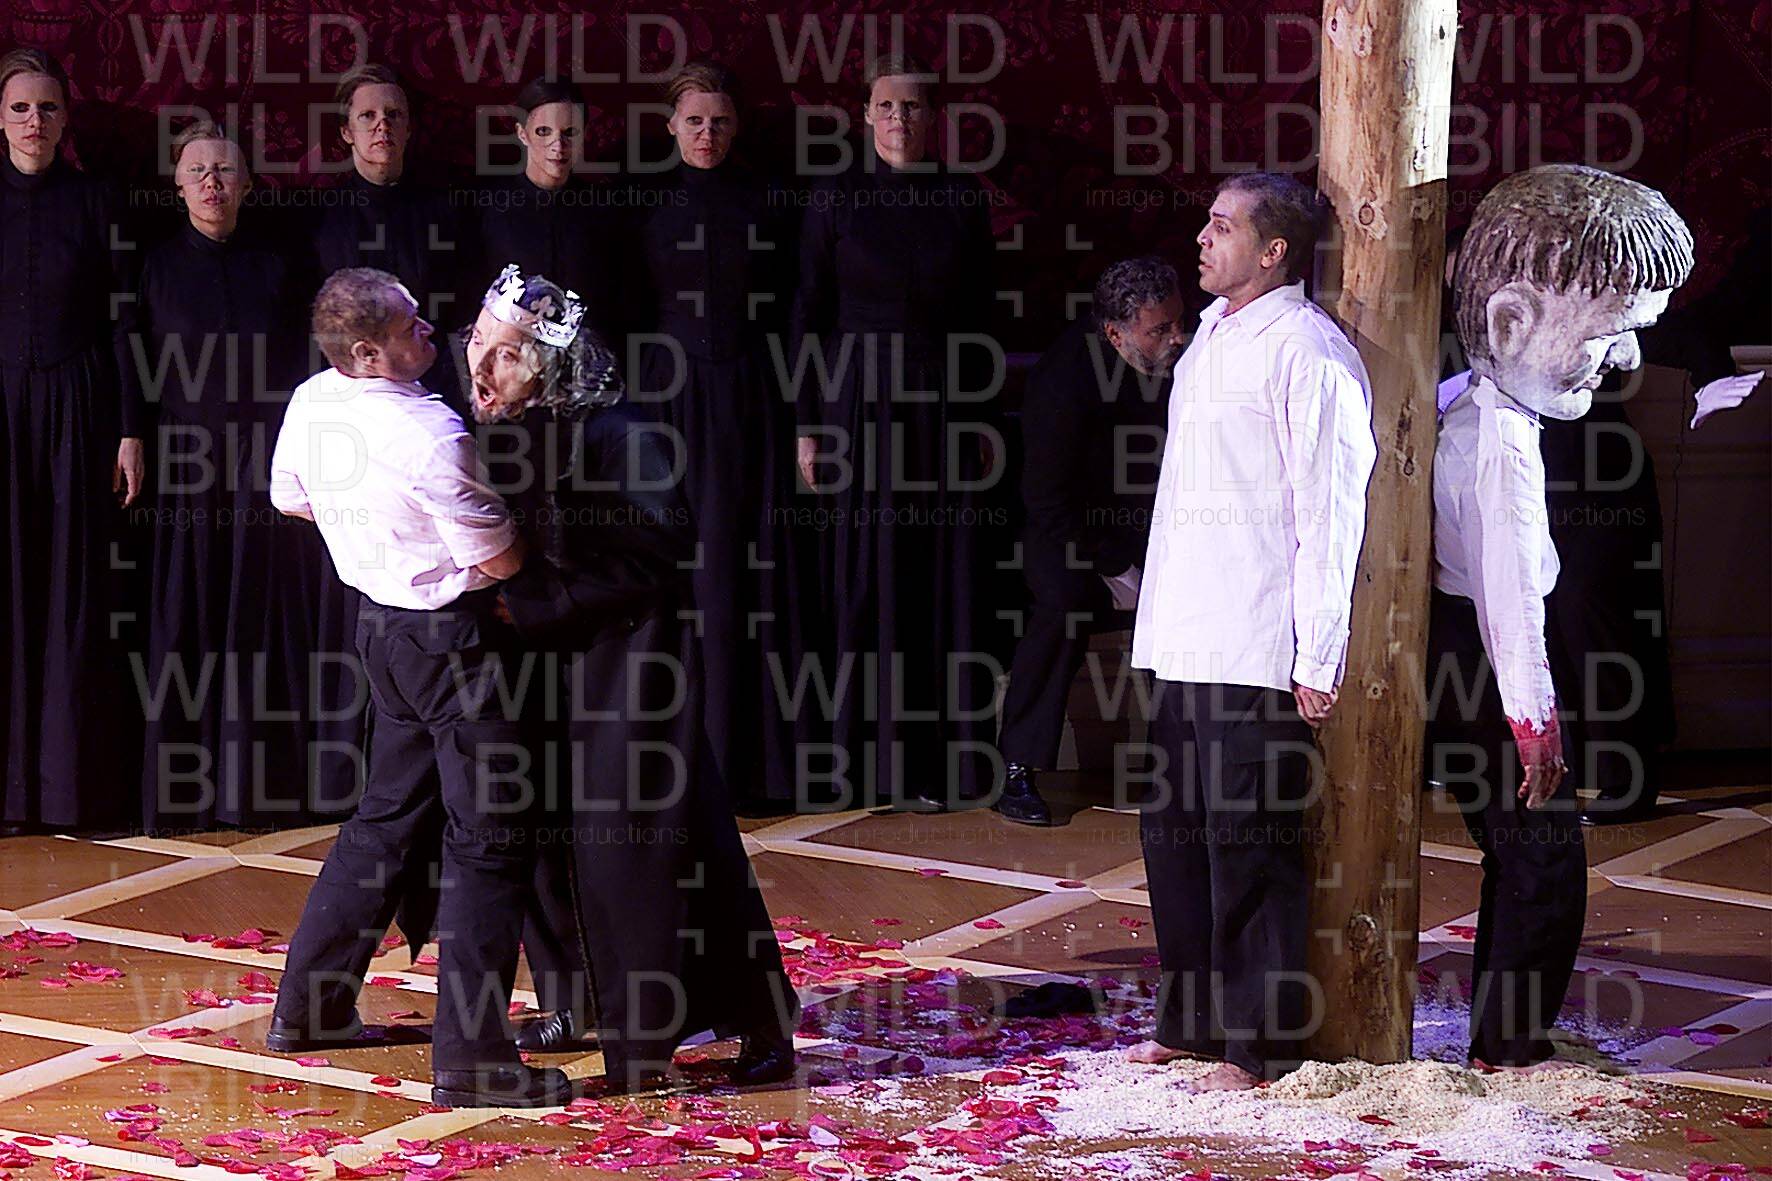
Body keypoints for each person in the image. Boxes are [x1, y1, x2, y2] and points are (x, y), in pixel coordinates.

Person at [461, 264, 798, 1091]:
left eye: (506, 353)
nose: (482, 366)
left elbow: (659, 557)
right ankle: (572, 998)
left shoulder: (622, 432)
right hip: (547, 666)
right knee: (545, 842)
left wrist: (536, 602)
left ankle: (745, 1022)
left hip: (630, 672)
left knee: (653, 853)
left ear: (550, 360)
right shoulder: (512, 423)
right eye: (478, 342)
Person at [265, 267, 568, 1109]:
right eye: (409, 327)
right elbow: (499, 561)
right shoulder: (431, 433)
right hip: (453, 645)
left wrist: (373, 529)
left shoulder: (315, 399)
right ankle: (471, 1060)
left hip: (383, 635)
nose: (431, 330)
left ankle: (309, 1007)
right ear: (367, 353)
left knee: (385, 820)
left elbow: (290, 498)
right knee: (489, 840)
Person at [1428, 163, 1693, 1070]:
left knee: (1518, 854)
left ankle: (1502, 1035)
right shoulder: (1501, 444)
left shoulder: (1457, 401)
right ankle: (1509, 1044)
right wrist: (1535, 725)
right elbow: (1510, 601)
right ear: (1510, 322)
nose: (1628, 362)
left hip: (1458, 656)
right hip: (1484, 667)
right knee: (1543, 863)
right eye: (1614, 333)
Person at [1124, 172, 1377, 1091]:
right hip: (1184, 636)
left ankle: (1260, 1044)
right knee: (1176, 840)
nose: (1202, 237)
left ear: (1273, 251)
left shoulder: (1308, 352)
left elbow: (1330, 511)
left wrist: (1319, 653)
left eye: (1222, 226)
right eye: (1207, 221)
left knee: (1252, 853)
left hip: (1255, 642)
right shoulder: (1210, 338)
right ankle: (1191, 1020)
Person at [128, 122, 357, 833]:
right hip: (185, 467)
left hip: (265, 461)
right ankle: (182, 795)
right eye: (198, 171)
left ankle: (257, 789)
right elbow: (134, 361)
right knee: (188, 616)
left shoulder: (279, 267)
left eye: (225, 171)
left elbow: (306, 368)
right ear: (177, 184)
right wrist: (134, 436)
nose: (212, 183)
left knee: (260, 618)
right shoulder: (154, 267)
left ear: (248, 184)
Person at [789, 53, 1001, 811]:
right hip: (857, 406)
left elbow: (981, 312)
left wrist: (982, 414)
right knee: (868, 577)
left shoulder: (962, 196)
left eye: (912, 106)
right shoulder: (835, 195)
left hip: (943, 405)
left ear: (932, 118)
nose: (899, 119)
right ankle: (865, 766)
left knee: (941, 580)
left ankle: (941, 767)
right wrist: (808, 426)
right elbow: (808, 311)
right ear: (865, 116)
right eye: (886, 106)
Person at [629, 61, 810, 815]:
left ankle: (744, 766)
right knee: (675, 572)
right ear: (671, 125)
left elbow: (794, 307)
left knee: (740, 574)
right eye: (695, 121)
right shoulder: (639, 199)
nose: (708, 134)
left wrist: (799, 415)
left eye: (721, 122)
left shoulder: (768, 199)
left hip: (748, 399)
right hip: (665, 400)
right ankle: (667, 766)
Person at [0, 49, 140, 832]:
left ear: (66, 120)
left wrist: (129, 429)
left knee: (66, 591)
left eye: (48, 108)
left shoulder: (96, 200)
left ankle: (60, 790)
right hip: (1, 407)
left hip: (76, 412)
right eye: (21, 107)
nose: (35, 121)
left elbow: (123, 322)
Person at [995, 257, 1182, 825]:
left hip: (1154, 529)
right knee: (1063, 606)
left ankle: (1183, 764)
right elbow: (1048, 499)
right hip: (1072, 535)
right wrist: (1116, 565)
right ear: (1116, 333)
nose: (1177, 337)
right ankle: (1019, 767)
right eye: (1160, 329)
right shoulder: (1065, 379)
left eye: (1179, 322)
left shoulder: (1186, 362)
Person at [311, 65, 466, 398]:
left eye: (393, 115)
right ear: (347, 132)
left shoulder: (447, 209)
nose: (383, 125)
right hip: (352, 389)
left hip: (436, 380)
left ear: (408, 129)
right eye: (368, 116)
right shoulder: (320, 217)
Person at [471, 77, 623, 351]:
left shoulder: (603, 210)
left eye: (570, 132)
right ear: (522, 133)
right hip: (506, 356)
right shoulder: (488, 206)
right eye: (543, 131)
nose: (558, 145)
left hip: (582, 361)